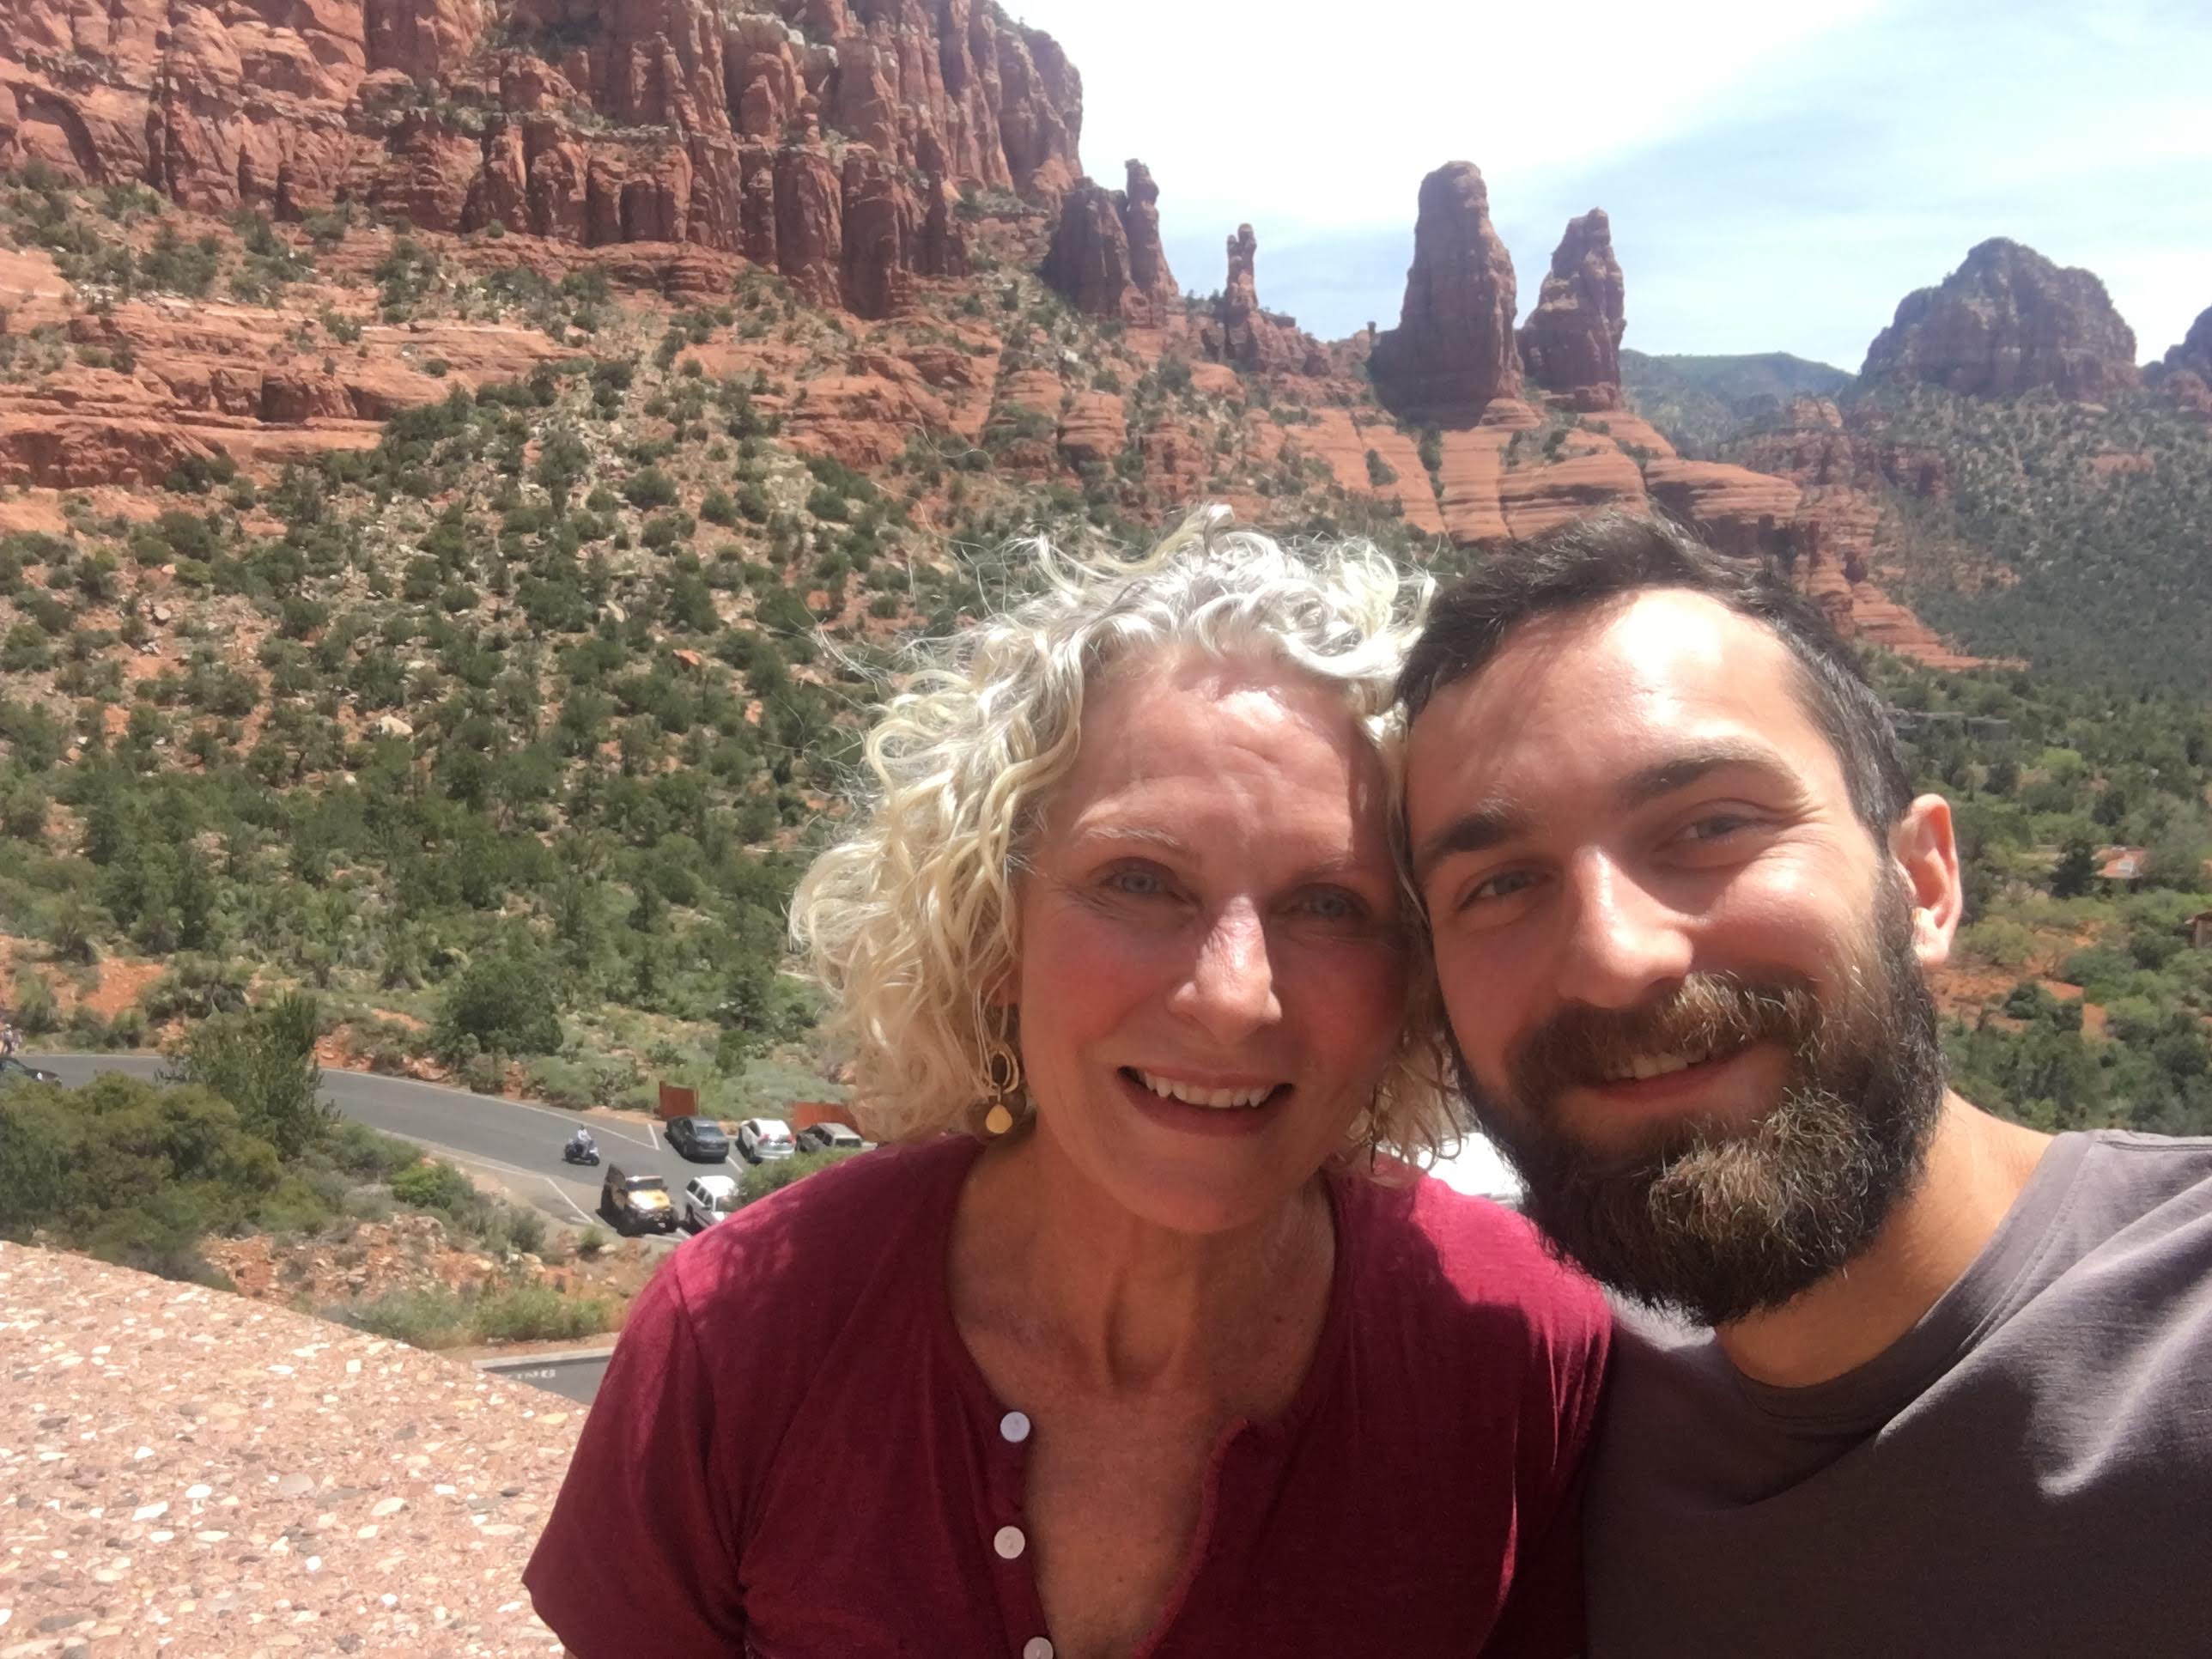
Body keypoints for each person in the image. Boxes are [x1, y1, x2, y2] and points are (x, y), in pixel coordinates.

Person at [526, 508, 1608, 1656]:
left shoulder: (1519, 1352)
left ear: (1411, 984)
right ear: (997, 932)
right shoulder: (740, 1337)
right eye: (1140, 880)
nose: (1234, 997)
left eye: (1330, 905)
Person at [1396, 511, 2212, 1657]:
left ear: (1925, 883)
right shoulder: (1532, 1381)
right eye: (1499, 884)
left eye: (1711, 825)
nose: (1615, 958)